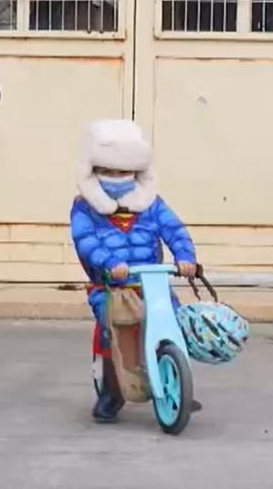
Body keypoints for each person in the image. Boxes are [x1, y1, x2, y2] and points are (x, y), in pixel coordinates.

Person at [69, 119, 199, 422]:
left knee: (173, 320)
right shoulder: (84, 208)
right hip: (112, 287)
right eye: (109, 173)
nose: (117, 179)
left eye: (124, 173)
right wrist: (108, 264)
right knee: (114, 328)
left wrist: (185, 257)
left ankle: (177, 382)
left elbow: (173, 228)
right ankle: (112, 392)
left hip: (152, 283)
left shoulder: (152, 205)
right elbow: (85, 240)